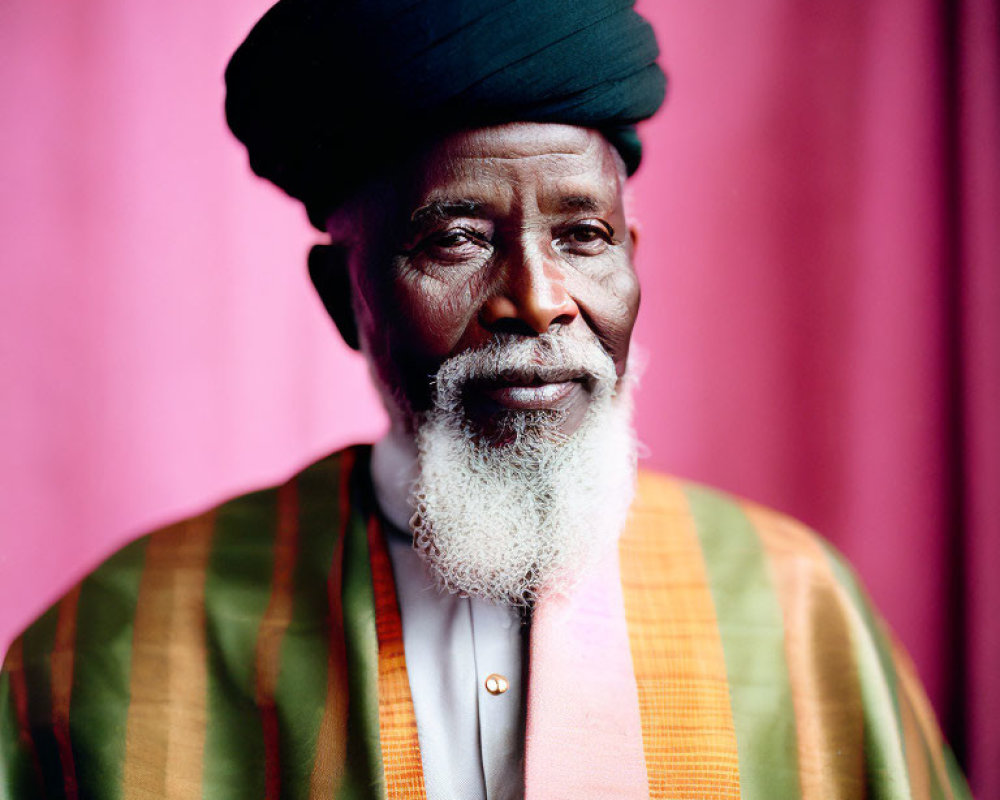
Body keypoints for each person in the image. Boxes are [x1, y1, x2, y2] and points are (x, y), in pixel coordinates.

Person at [0, 1, 971, 798]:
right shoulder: (124, 643)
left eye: (583, 235)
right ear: (345, 298)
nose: (540, 300)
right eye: (456, 240)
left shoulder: (795, 607)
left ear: (633, 266)